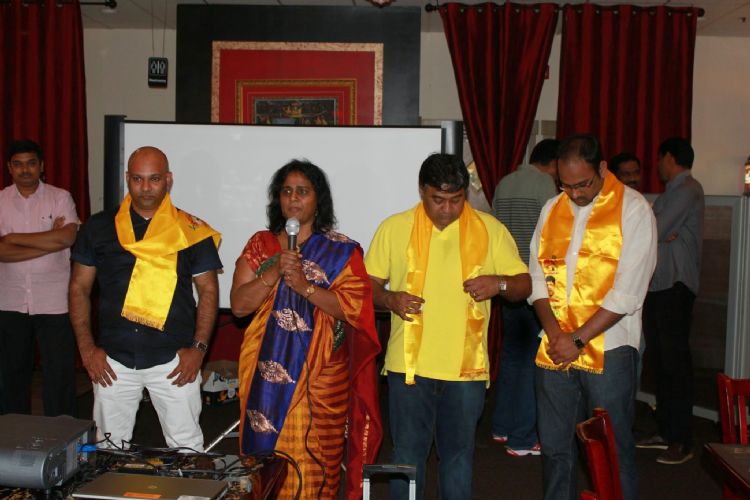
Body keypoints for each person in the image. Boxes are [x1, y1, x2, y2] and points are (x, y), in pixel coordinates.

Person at [365, 153, 531, 499]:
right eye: (437, 200)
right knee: (407, 457)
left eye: (456, 200)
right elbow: (367, 287)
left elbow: (523, 285)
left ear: (464, 194)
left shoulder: (489, 229)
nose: (447, 209)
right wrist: (391, 299)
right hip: (408, 368)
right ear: (422, 191)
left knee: (458, 457)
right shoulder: (394, 228)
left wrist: (498, 283)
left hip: (466, 371)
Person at [230, 159, 382, 499]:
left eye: (303, 191)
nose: (293, 198)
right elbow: (239, 306)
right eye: (286, 191)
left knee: (317, 466)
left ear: (318, 199)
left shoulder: (341, 251)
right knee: (265, 467)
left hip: (321, 377)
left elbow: (354, 309)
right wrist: (274, 272)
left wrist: (305, 287)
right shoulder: (261, 245)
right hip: (264, 375)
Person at [69, 146, 221, 451]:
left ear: (168, 179)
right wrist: (86, 350)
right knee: (109, 450)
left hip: (175, 359)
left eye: (154, 179)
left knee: (187, 450)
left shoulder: (190, 229)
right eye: (138, 179)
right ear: (127, 178)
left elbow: (208, 290)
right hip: (113, 360)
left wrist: (199, 350)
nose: (146, 187)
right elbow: (78, 288)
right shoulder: (98, 227)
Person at [530, 134, 656, 500]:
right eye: (565, 185)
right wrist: (556, 334)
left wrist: (577, 339)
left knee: (611, 452)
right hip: (555, 349)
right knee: (555, 450)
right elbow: (537, 277)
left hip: (610, 349)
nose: (575, 194)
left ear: (602, 168)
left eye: (582, 184)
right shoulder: (552, 208)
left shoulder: (633, 209)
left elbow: (628, 293)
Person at [0, 139, 79, 416]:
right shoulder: (0, 201)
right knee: (11, 375)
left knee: (59, 374)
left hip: (54, 301)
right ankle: (13, 434)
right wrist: (49, 240)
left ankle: (61, 434)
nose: (25, 170)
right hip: (9, 301)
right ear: (9, 168)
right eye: (18, 164)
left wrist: (11, 238)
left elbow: (67, 237)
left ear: (41, 166)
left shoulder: (60, 197)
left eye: (31, 163)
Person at [637, 138, 704, 465]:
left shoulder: (687, 189)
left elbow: (655, 229)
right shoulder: (672, 192)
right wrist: (658, 228)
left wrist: (657, 225)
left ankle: (682, 439)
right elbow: (656, 231)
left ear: (670, 158)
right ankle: (665, 430)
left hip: (675, 286)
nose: (657, 165)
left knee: (675, 364)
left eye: (660, 158)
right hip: (660, 286)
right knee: (662, 362)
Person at [490, 138, 559, 456]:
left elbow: (495, 231)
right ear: (553, 163)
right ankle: (522, 438)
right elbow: (552, 235)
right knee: (533, 360)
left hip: (508, 281)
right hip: (534, 283)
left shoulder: (504, 183)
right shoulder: (545, 185)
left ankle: (501, 426)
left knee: (511, 356)